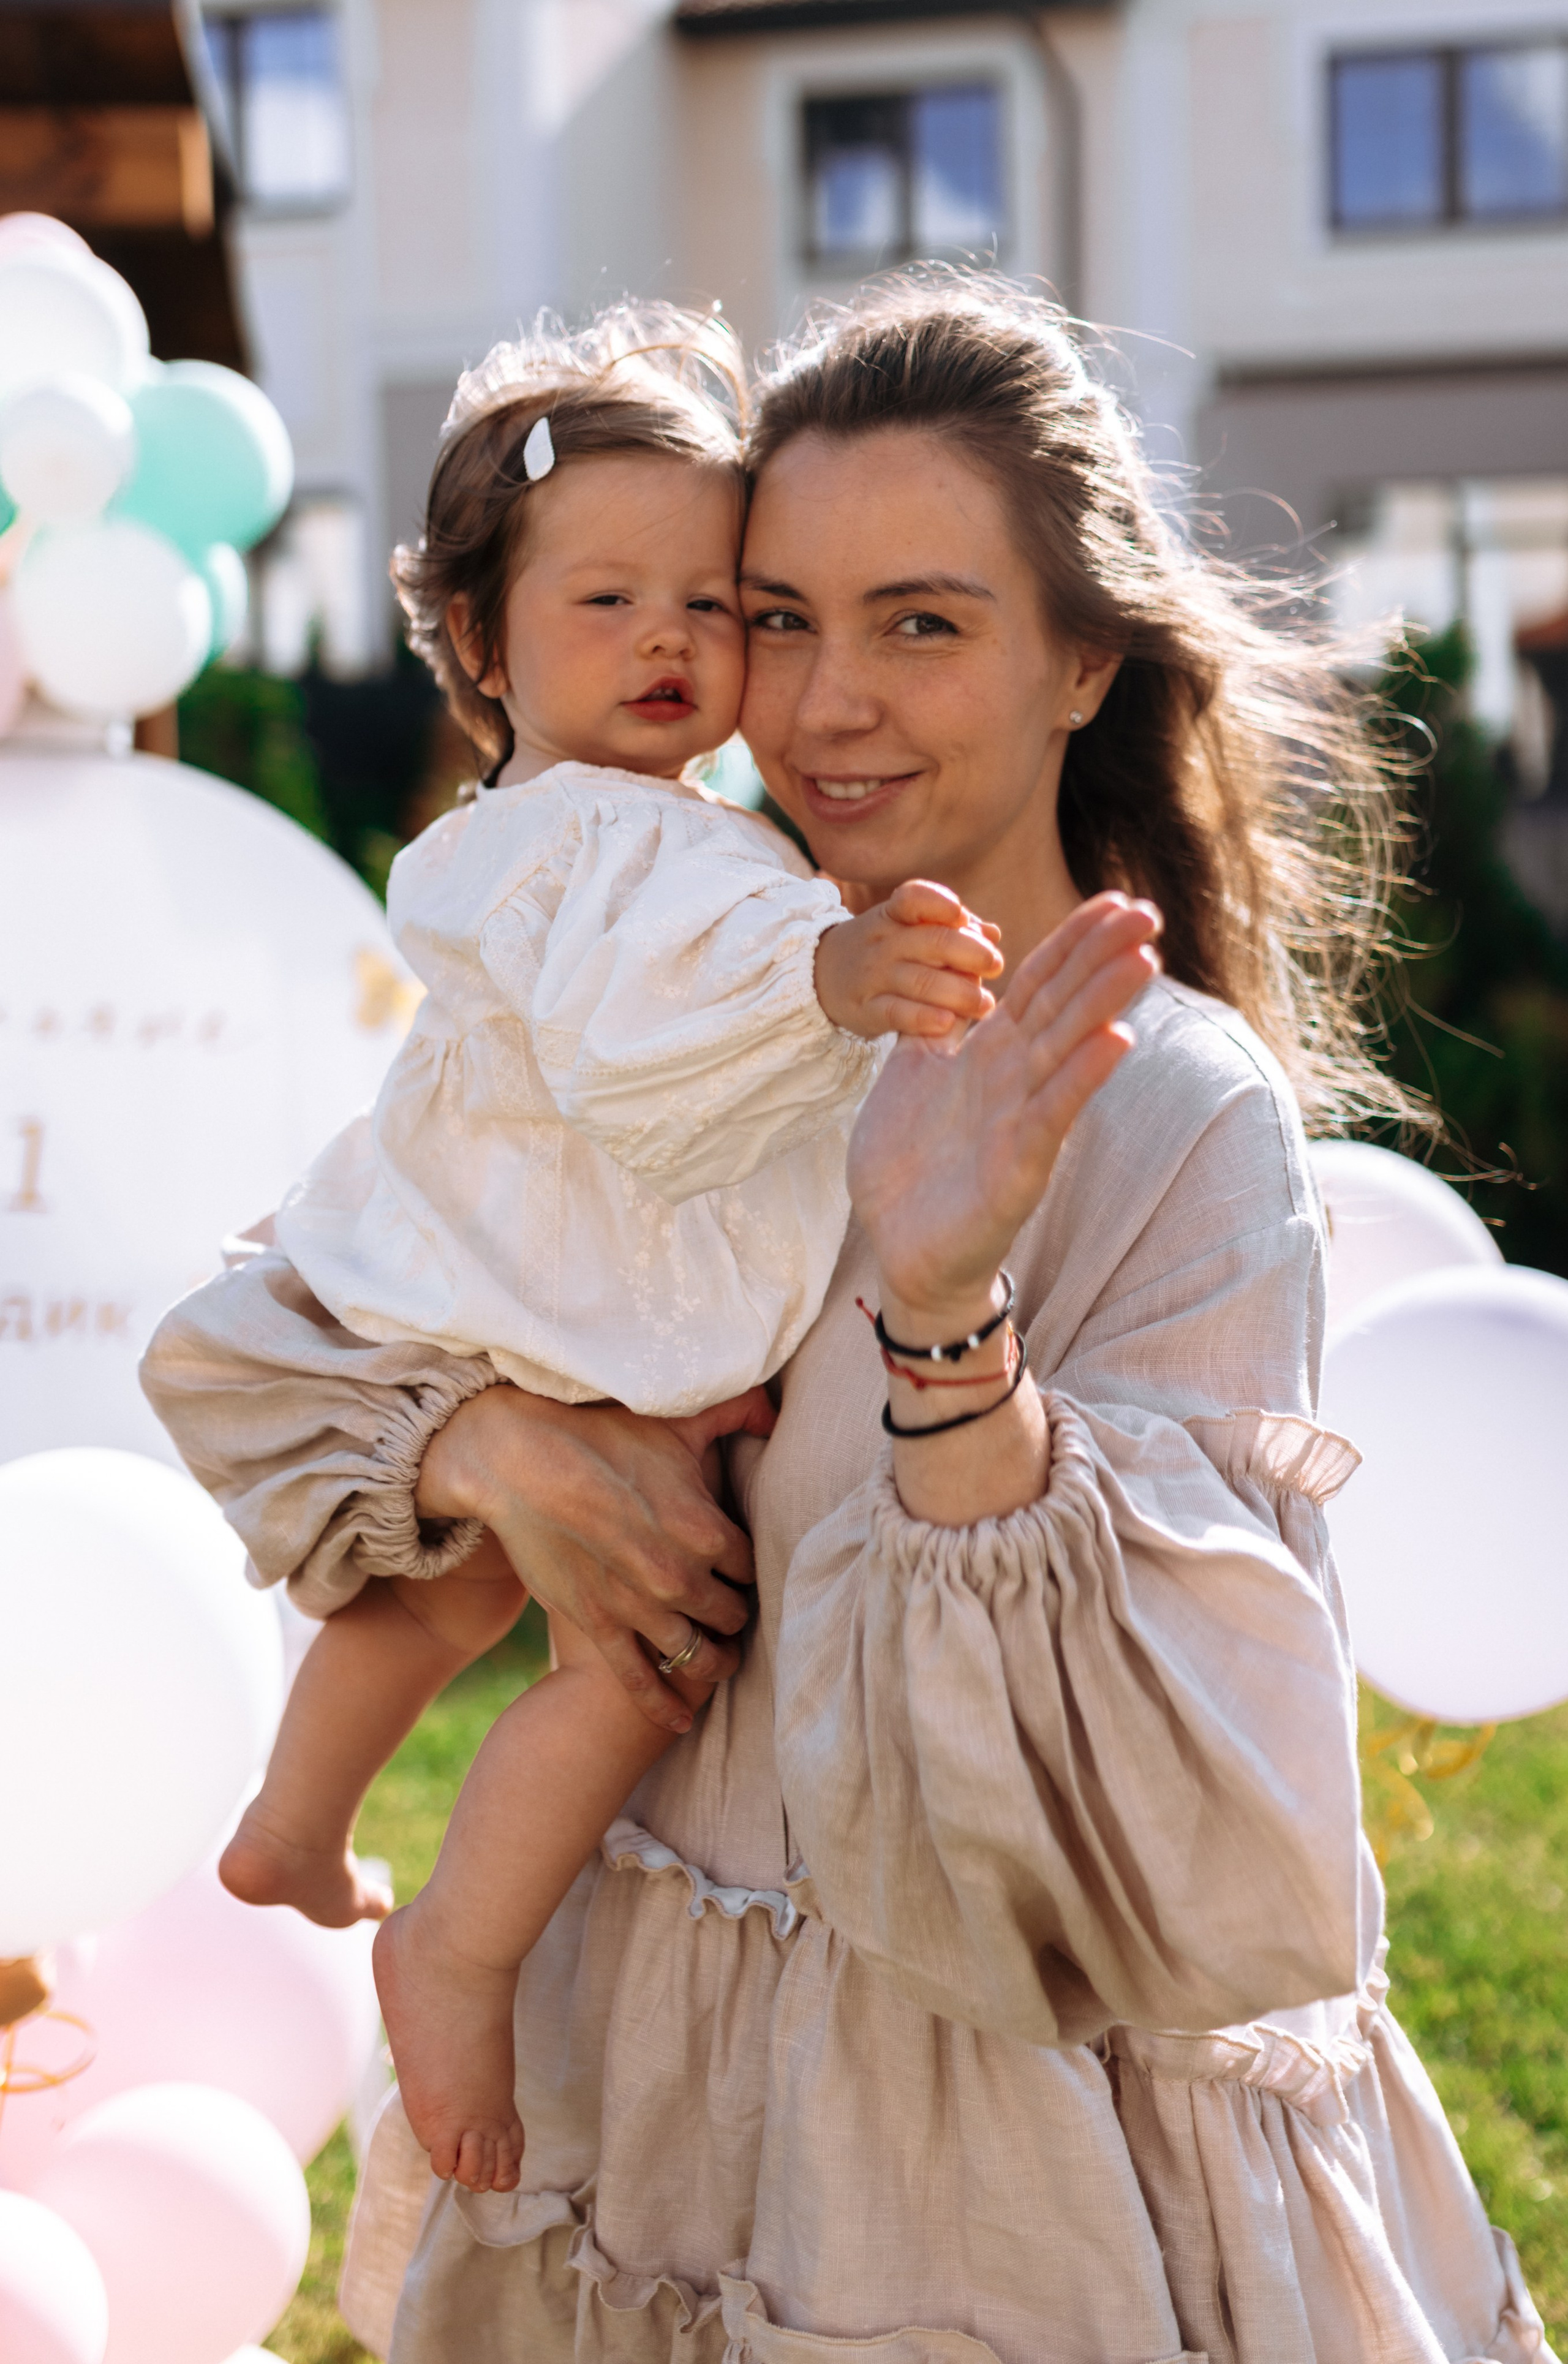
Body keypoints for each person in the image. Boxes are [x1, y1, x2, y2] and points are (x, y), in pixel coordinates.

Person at [141, 276, 1552, 2362]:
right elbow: (264, 1341)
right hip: (657, 2043)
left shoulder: (1166, 1107)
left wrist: (943, 1314)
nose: (820, 704)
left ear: (1085, 657)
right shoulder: (689, 1022)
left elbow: (1182, 1799)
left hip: (975, 2133)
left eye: (922, 621)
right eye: (777, 617)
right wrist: (502, 1450)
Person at [192, 303, 1011, 2197]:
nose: (669, 643)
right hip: (561, 1305)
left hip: (539, 1293)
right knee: (633, 1661)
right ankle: (454, 1948)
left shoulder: (624, 827)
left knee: (454, 1596)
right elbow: (648, 1034)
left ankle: (297, 1823)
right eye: (606, 604)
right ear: (482, 642)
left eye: (714, 606)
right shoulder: (590, 850)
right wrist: (837, 967)